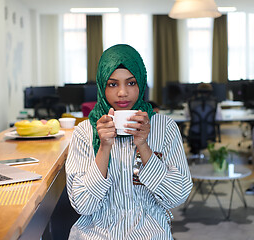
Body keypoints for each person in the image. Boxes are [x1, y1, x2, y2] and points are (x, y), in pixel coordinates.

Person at [65, 44, 193, 240]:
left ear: (141, 83)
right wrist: (104, 147)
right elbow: (83, 205)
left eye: (131, 83)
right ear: (101, 85)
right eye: (113, 84)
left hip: (149, 234)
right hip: (96, 234)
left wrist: (143, 145)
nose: (122, 93)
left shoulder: (164, 128)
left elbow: (177, 196)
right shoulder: (84, 132)